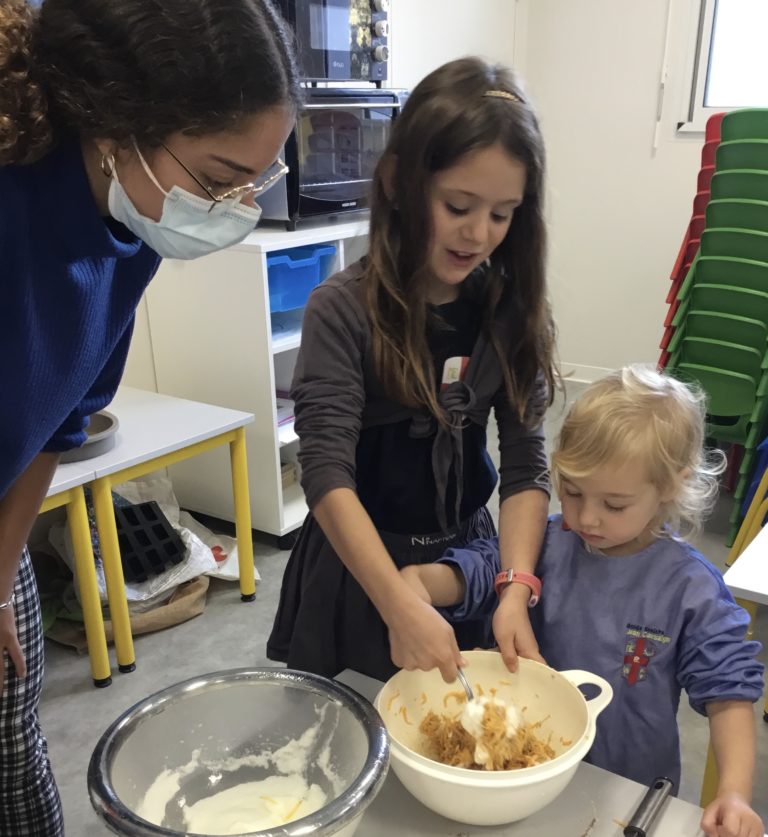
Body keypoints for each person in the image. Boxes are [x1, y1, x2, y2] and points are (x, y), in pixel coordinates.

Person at [0, 1, 300, 833]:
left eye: (254, 181)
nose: (236, 207)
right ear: (115, 126)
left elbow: (56, 428)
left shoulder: (127, 234)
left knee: (12, 735)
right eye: (218, 180)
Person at [267, 57, 558, 685]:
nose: (478, 234)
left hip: (461, 561)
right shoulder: (342, 310)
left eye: (502, 214)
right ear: (399, 182)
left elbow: (525, 465)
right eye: (458, 205)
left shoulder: (509, 313)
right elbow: (326, 473)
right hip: (360, 565)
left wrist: (514, 586)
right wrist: (397, 603)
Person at [402, 365, 765, 837]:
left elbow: (728, 691)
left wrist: (734, 791)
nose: (587, 517)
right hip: (523, 775)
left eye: (614, 504)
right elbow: (479, 570)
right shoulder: (546, 543)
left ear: (671, 487)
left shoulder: (689, 586)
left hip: (628, 790)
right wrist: (420, 583)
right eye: (571, 491)